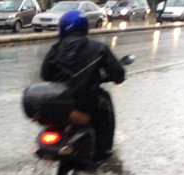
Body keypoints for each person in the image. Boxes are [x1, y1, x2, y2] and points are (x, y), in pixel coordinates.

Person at [40, 9, 125, 161]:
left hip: (59, 103)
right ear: (84, 27)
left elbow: (45, 75)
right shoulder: (98, 48)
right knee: (104, 108)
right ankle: (103, 153)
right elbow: (118, 75)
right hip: (86, 104)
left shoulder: (55, 49)